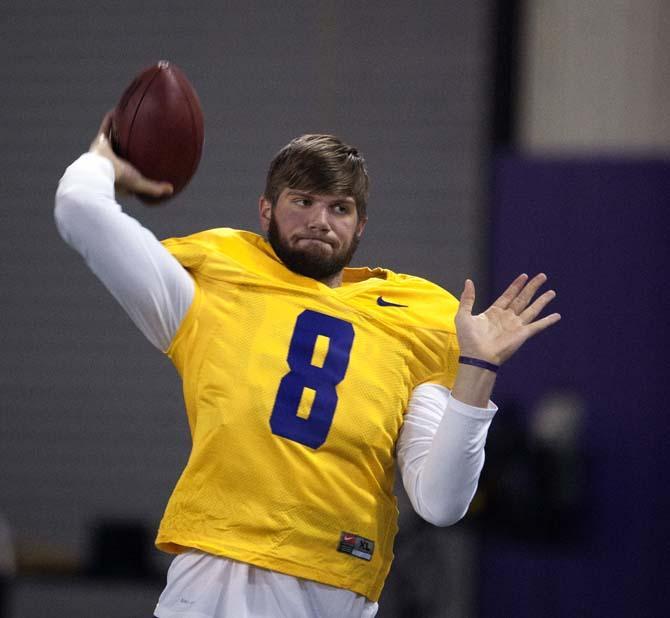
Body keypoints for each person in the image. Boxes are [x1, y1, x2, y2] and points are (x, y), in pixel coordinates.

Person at [54, 114, 560, 618]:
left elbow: (442, 503)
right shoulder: (213, 286)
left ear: (361, 225)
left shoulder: (418, 318)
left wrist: (478, 367)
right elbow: (79, 208)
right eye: (303, 202)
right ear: (266, 210)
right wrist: (103, 160)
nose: (320, 220)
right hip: (220, 575)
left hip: (336, 584)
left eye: (340, 208)